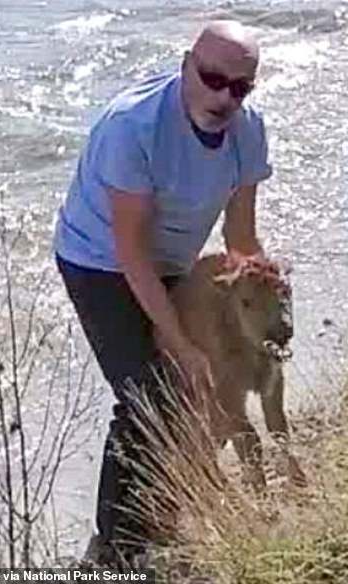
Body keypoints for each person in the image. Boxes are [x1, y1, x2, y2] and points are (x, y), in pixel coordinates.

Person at [53, 20, 272, 566]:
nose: (224, 96)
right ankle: (114, 553)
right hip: (100, 260)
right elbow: (132, 253)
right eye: (213, 78)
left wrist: (265, 287)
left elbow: (240, 238)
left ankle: (166, 506)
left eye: (239, 87)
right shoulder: (134, 127)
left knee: (213, 381)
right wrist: (179, 343)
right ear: (186, 65)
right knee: (151, 390)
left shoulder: (248, 131)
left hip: (175, 259)